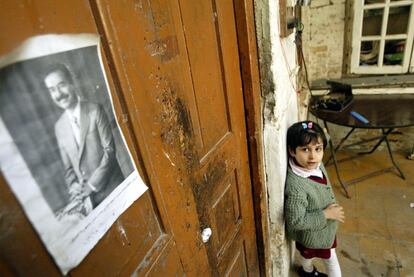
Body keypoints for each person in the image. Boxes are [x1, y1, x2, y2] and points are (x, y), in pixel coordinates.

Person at [44, 63, 124, 217]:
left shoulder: (95, 110)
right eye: (52, 90)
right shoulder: (59, 127)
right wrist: (73, 186)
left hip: (114, 191)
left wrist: (91, 185)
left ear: (72, 83)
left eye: (61, 85)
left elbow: (109, 151)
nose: (58, 94)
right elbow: (69, 170)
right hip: (90, 205)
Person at [284, 121, 345, 277]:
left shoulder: (313, 164)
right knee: (331, 260)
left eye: (318, 149)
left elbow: (323, 141)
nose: (313, 156)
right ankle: (308, 270)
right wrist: (327, 214)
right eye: (305, 150)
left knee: (306, 253)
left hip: (319, 232)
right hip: (317, 233)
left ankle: (307, 271)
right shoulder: (297, 186)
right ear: (292, 151)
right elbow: (296, 221)